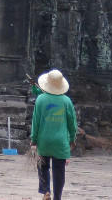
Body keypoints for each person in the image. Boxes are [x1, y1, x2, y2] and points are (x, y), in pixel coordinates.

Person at [30, 68, 77, 200]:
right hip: (61, 141)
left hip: (44, 140)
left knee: (43, 167)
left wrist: (34, 140)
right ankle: (57, 197)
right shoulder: (66, 101)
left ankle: (46, 191)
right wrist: (72, 139)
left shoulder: (40, 99)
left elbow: (36, 122)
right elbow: (72, 123)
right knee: (59, 172)